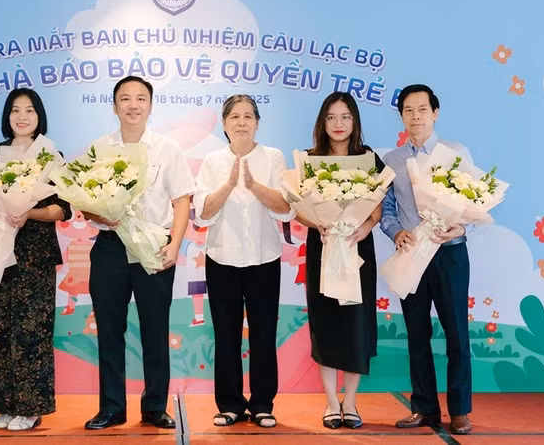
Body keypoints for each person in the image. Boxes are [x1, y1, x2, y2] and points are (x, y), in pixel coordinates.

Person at [83, 76, 194, 430]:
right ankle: (112, 407)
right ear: (114, 106)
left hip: (154, 246)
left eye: (141, 98)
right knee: (110, 330)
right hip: (110, 248)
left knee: (154, 330)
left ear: (150, 105)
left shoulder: (167, 148)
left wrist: (174, 245)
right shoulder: (98, 149)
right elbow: (84, 203)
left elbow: (182, 201)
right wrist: (97, 213)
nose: (133, 105)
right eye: (125, 98)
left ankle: (155, 406)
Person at [0, 89, 72, 431]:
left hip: (35, 256)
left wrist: (30, 212)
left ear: (39, 116)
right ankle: (2, 403)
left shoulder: (50, 156)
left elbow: (63, 207)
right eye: (15, 110)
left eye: (29, 110)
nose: (22, 116)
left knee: (32, 331)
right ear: (7, 116)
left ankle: (30, 407)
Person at [193, 94, 294, 428]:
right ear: (224, 124)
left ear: (257, 123)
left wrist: (252, 184)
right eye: (234, 117)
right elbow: (203, 213)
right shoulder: (212, 161)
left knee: (264, 333)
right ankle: (231, 404)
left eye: (248, 116)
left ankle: (263, 403)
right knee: (226, 334)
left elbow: (285, 206)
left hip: (265, 258)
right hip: (222, 258)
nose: (241, 122)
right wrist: (229, 184)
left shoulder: (273, 157)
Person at [381, 84, 473, 435]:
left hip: (450, 254)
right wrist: (394, 232)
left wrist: (460, 227)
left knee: (457, 335)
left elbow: (471, 200)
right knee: (416, 335)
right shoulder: (392, 160)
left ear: (435, 113)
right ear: (402, 116)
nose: (415, 116)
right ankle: (423, 408)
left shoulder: (456, 153)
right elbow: (387, 208)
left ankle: (460, 410)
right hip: (411, 257)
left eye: (422, 109)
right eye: (408, 110)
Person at [297, 92, 384, 429]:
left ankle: (351, 402)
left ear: (355, 121)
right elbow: (299, 209)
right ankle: (331, 402)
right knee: (327, 322)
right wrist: (317, 221)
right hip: (324, 247)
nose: (338, 124)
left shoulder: (368, 158)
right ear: (323, 122)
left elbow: (377, 205)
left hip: (357, 248)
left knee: (356, 325)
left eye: (345, 117)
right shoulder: (309, 160)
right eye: (331, 117)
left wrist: (365, 226)